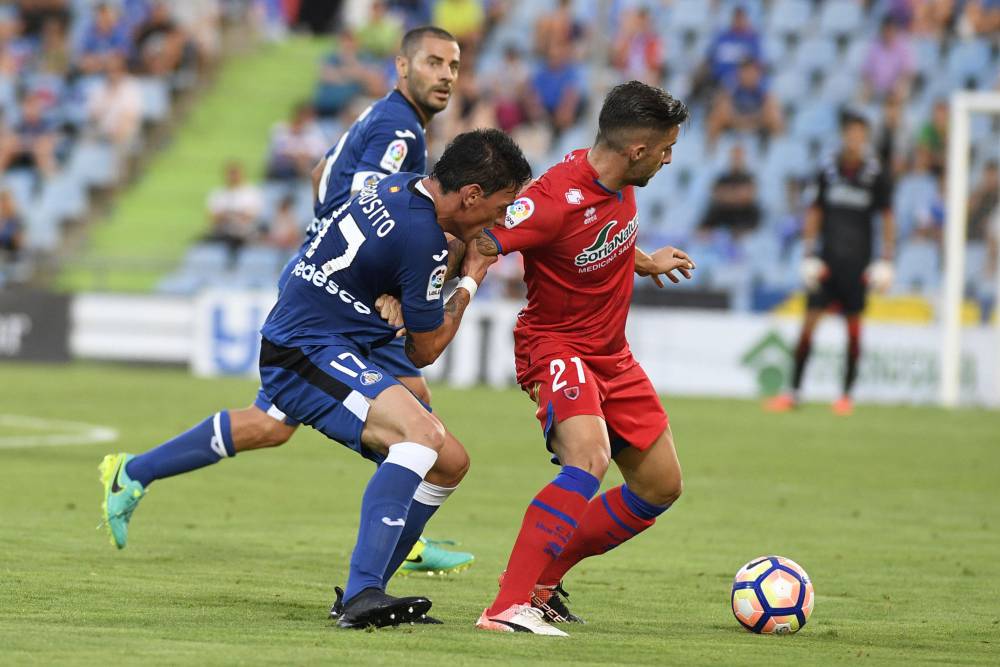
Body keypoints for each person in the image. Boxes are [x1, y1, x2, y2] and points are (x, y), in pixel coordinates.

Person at [102, 128, 531, 628]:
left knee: (448, 462)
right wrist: (474, 275)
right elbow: (427, 347)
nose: (501, 220)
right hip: (303, 352)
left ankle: (368, 588)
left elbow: (328, 181)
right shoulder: (423, 231)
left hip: (327, 333)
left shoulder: (403, 187)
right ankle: (362, 594)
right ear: (471, 195)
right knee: (421, 435)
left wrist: (398, 289)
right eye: (502, 206)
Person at [99, 26, 476, 578]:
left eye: (454, 66)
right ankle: (400, 541)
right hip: (346, 294)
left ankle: (133, 472)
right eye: (434, 62)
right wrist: (386, 284)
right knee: (415, 412)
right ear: (402, 66)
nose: (445, 75)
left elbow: (322, 172)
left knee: (272, 424)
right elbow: (373, 203)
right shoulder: (402, 131)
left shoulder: (381, 117)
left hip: (323, 277)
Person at [472, 81, 695, 635]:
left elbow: (598, 237)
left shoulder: (620, 180)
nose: (669, 159)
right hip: (556, 346)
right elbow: (481, 240)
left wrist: (641, 261)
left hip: (611, 353)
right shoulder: (550, 200)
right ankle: (505, 606)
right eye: (665, 149)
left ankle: (544, 582)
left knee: (660, 485)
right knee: (588, 459)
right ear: (637, 150)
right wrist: (454, 297)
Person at [766, 114, 896, 416]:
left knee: (853, 329)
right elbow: (815, 212)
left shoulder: (876, 175)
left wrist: (886, 259)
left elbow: (887, 216)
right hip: (827, 262)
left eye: (859, 135)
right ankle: (794, 392)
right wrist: (808, 253)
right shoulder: (827, 170)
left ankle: (846, 396)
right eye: (849, 134)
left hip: (858, 264)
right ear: (843, 136)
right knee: (808, 324)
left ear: (865, 139)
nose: (854, 140)